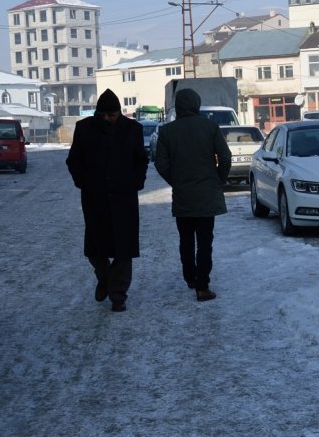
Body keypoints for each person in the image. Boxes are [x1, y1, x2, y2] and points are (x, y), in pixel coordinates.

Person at [66, 89, 149, 312]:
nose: (106, 119)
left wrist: (135, 182)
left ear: (119, 113)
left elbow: (141, 160)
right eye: (102, 114)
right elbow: (73, 160)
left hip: (124, 198)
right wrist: (83, 182)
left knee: (124, 249)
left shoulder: (133, 129)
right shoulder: (84, 128)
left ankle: (118, 295)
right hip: (95, 198)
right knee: (95, 249)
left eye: (111, 115)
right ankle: (105, 279)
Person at [155, 88, 232, 302]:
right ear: (197, 104)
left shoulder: (167, 131)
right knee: (205, 241)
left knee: (186, 239)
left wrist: (176, 181)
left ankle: (190, 277)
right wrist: (218, 179)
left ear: (178, 106)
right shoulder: (210, 127)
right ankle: (202, 286)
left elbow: (161, 163)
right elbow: (225, 157)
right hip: (207, 194)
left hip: (183, 196)